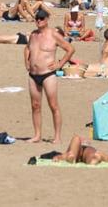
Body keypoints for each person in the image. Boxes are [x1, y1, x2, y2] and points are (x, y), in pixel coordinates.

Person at [25, 8, 75, 143]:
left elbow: (70, 49)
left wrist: (60, 64)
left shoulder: (53, 34)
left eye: (41, 18)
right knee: (35, 105)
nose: (38, 21)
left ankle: (57, 136)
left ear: (47, 20)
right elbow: (27, 48)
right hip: (33, 75)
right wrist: (26, 62)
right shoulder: (33, 35)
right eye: (37, 18)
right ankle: (37, 135)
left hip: (48, 74)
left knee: (53, 105)